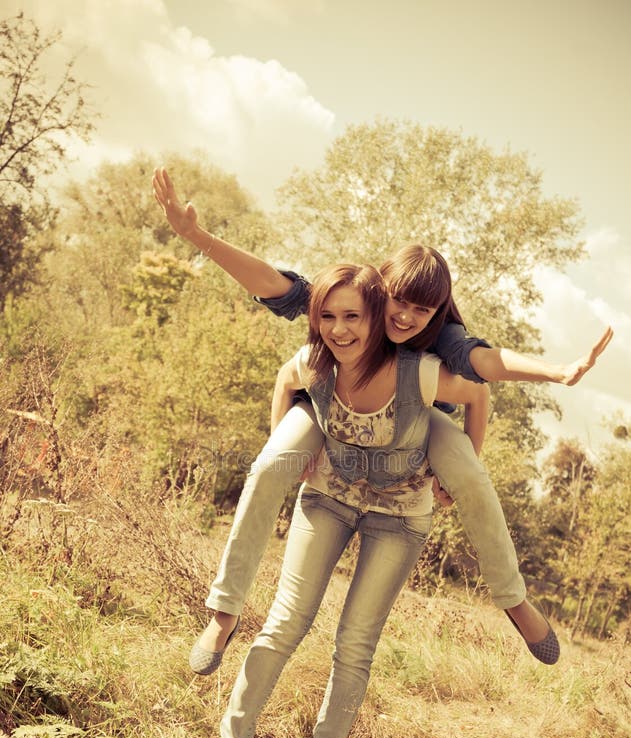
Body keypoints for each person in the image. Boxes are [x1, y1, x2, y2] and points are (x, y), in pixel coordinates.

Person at [151, 167, 612, 671]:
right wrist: (196, 236)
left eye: (424, 310)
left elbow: (486, 369)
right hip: (328, 403)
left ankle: (514, 600)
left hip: (416, 420)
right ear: (379, 289)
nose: (407, 318)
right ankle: (224, 613)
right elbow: (275, 286)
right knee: (266, 468)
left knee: (473, 476)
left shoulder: (440, 338)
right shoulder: (352, 302)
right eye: (400, 302)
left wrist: (556, 372)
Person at [193, 260, 490, 738]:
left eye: (354, 316)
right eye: (331, 317)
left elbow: (478, 391)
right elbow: (287, 377)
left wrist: (462, 466)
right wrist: (291, 443)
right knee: (285, 623)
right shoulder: (326, 360)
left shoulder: (417, 367)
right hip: (327, 497)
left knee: (354, 647)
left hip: (400, 516)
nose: (341, 327)